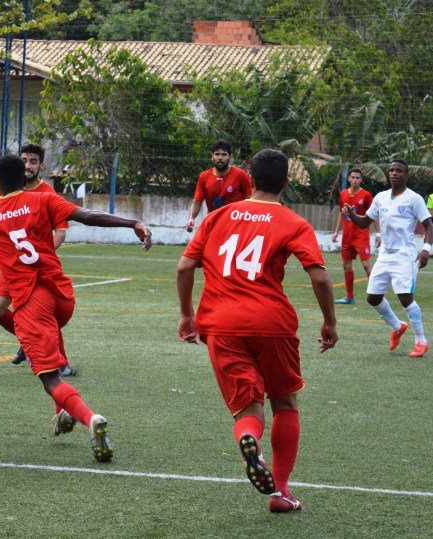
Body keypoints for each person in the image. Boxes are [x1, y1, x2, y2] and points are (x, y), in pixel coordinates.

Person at [176, 148, 338, 513]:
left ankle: (249, 438)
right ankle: (281, 493)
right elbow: (321, 277)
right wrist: (330, 321)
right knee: (284, 401)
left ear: (249, 178)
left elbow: (185, 268)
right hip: (272, 323)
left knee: (248, 407)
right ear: (285, 183)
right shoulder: (294, 222)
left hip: (220, 325)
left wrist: (187, 315)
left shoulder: (217, 217)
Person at [0, 154, 152, 462]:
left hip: (30, 300)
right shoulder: (42, 200)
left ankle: (91, 419)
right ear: (22, 179)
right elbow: (87, 216)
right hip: (62, 296)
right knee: (37, 337)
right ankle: (62, 412)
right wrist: (132, 222)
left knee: (49, 378)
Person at [0, 143, 76, 376]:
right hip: (11, 267)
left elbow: (60, 232)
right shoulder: (8, 189)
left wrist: (37, 254)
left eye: (33, 161)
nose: (27, 166)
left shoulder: (47, 194)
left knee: (45, 312)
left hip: (37, 268)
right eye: (24, 160)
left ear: (42, 165)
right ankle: (29, 340)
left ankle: (61, 362)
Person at [343, 159, 433, 358]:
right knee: (372, 297)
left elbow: (429, 225)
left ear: (406, 175)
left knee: (405, 297)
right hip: (385, 255)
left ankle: (421, 340)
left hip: (405, 256)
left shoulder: (414, 198)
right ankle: (397, 326)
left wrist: (426, 249)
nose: (393, 173)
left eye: (398, 171)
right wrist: (351, 213)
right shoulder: (381, 198)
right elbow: (365, 222)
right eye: (391, 170)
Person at [331, 168, 380, 304]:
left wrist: (378, 233)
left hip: (361, 235)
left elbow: (374, 215)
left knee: (365, 264)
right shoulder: (343, 194)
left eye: (358, 178)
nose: (355, 180)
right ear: (349, 179)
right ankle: (349, 297)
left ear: (361, 180)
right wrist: (336, 231)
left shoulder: (366, 195)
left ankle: (376, 295)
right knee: (346, 264)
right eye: (353, 177)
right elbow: (342, 213)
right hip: (347, 235)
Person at [185, 139, 252, 233]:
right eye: (217, 154)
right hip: (214, 225)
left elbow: (250, 201)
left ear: (230, 157)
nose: (220, 157)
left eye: (224, 154)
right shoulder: (204, 176)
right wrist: (191, 218)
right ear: (212, 156)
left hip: (236, 227)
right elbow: (197, 202)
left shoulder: (240, 175)